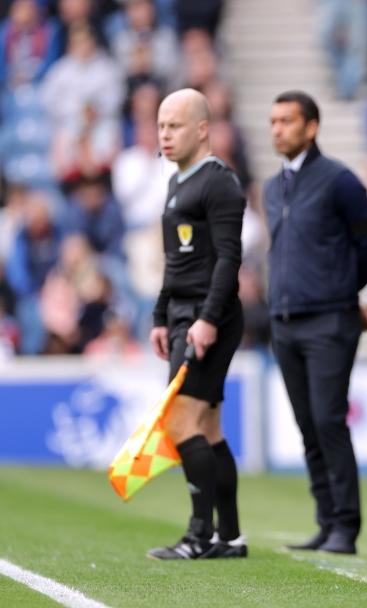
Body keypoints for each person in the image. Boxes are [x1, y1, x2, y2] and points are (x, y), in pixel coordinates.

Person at [264, 91, 367, 555]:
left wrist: (341, 291)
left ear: (311, 127)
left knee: (328, 420)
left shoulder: (340, 181)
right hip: (285, 323)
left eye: (287, 121)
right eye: (273, 121)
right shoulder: (272, 188)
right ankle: (325, 520)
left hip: (329, 323)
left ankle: (346, 527)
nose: (277, 129)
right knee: (306, 426)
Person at [147, 88, 247, 560]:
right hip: (184, 314)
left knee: (179, 421)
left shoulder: (219, 182)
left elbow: (230, 258)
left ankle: (198, 535)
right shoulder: (176, 183)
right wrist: (159, 315)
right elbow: (175, 262)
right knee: (207, 430)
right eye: (161, 126)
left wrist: (206, 319)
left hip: (210, 316)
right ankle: (229, 537)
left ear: (202, 129)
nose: (164, 134)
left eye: (174, 125)